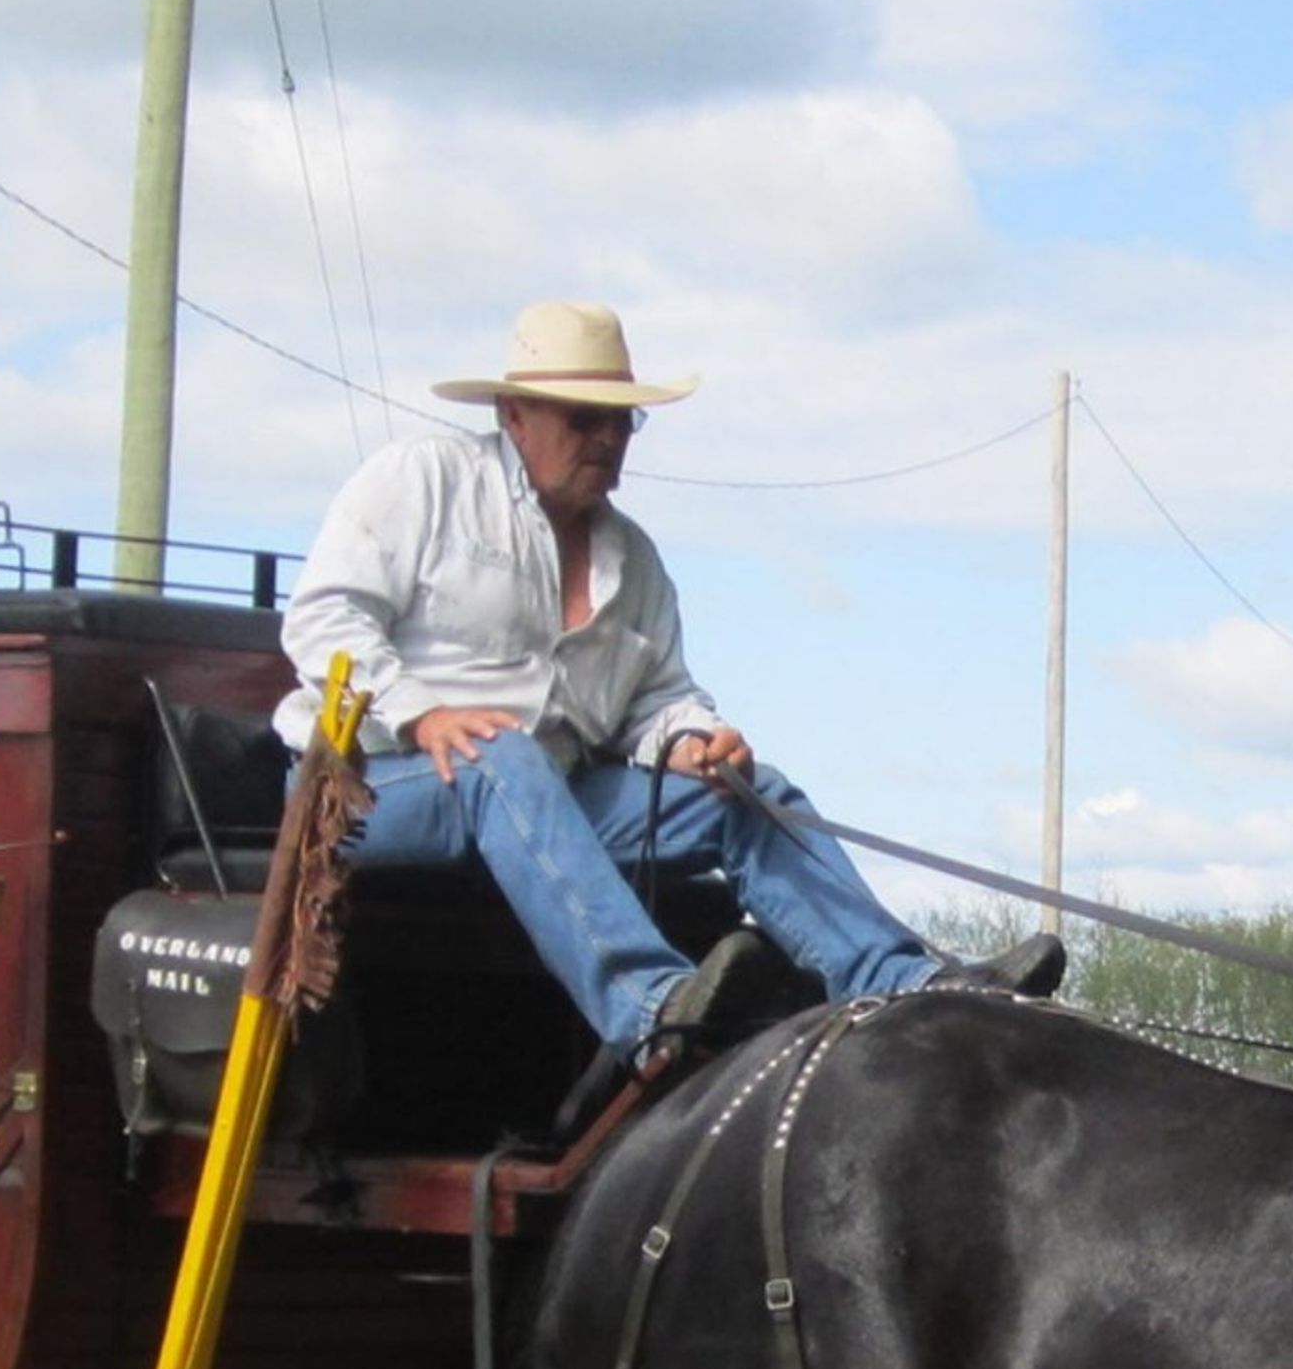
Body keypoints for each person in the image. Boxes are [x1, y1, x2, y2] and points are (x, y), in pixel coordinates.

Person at [278, 301, 1061, 1102]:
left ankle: (906, 987)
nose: (608, 441)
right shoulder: (423, 482)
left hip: (548, 793)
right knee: (501, 757)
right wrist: (421, 712)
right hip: (371, 788)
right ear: (514, 415)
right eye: (586, 420)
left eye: (624, 423)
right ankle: (653, 1007)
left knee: (746, 795)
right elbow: (324, 619)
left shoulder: (634, 560)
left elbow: (658, 700)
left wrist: (694, 742)